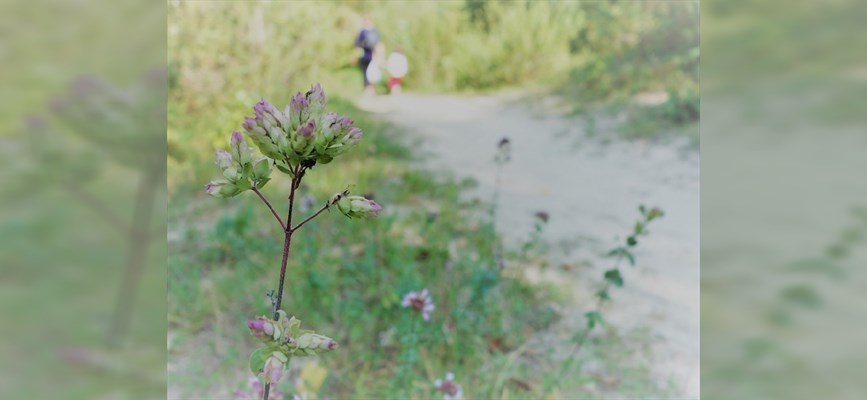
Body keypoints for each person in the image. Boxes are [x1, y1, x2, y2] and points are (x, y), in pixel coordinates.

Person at [355, 17, 380, 95]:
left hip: (371, 55)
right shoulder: (365, 31)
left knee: (371, 72)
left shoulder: (371, 31)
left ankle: (371, 88)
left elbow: (378, 44)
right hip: (366, 55)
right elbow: (358, 44)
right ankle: (368, 88)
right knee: (366, 72)